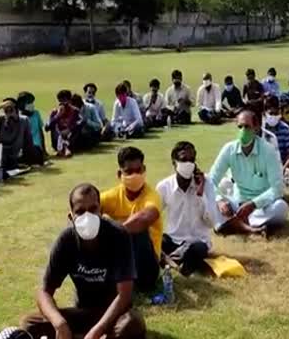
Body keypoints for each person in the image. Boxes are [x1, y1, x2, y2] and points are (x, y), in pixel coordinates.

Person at [20, 183, 146, 339]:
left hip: (114, 315)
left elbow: (124, 296)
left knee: (132, 325)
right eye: (80, 211)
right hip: (84, 311)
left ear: (101, 211)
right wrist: (59, 323)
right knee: (30, 323)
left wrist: (97, 331)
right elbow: (44, 292)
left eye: (93, 209)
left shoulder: (118, 235)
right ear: (71, 217)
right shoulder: (66, 240)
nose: (87, 217)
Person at [209, 110, 288, 235]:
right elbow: (211, 180)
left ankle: (233, 224)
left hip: (261, 207)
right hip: (237, 204)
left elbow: (277, 188)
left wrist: (253, 204)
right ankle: (250, 226)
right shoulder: (229, 149)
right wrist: (219, 201)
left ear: (256, 128)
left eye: (247, 126)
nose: (243, 130)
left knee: (281, 207)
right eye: (240, 127)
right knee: (207, 200)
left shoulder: (268, 151)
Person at [101, 146, 162, 292]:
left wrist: (111, 231)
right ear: (119, 174)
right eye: (129, 171)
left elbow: (146, 217)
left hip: (146, 267)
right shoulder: (111, 196)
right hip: (120, 265)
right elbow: (82, 210)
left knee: (138, 230)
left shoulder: (151, 195)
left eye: (138, 170)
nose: (135, 175)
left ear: (144, 169)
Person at [156, 142, 221, 276]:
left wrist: (200, 193)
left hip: (197, 241)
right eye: (183, 160)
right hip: (173, 240)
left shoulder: (206, 183)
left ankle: (173, 263)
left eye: (191, 160)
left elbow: (212, 222)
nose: (188, 164)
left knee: (197, 248)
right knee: (156, 241)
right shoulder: (164, 187)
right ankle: (180, 262)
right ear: (174, 163)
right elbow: (153, 215)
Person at [264, 96, 289, 185]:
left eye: (276, 113)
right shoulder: (261, 128)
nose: (274, 116)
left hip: (282, 164)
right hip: (264, 164)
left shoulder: (285, 128)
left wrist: (282, 168)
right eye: (271, 113)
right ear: (265, 113)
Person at [0, 99, 34, 170]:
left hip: (15, 154)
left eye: (11, 109)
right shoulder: (1, 119)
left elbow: (29, 141)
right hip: (2, 154)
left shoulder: (24, 120)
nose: (9, 112)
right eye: (6, 110)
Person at [46, 90, 80, 157]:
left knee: (77, 127)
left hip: (70, 137)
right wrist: (58, 115)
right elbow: (47, 128)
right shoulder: (55, 112)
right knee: (55, 128)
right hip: (57, 137)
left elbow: (79, 123)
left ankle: (64, 149)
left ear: (70, 101)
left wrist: (69, 129)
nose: (62, 103)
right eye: (60, 101)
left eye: (64, 100)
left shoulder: (75, 111)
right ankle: (65, 149)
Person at [17, 91, 47, 165]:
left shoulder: (36, 114)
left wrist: (44, 151)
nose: (32, 104)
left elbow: (40, 132)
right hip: (24, 148)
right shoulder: (18, 117)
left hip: (37, 148)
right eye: (29, 102)